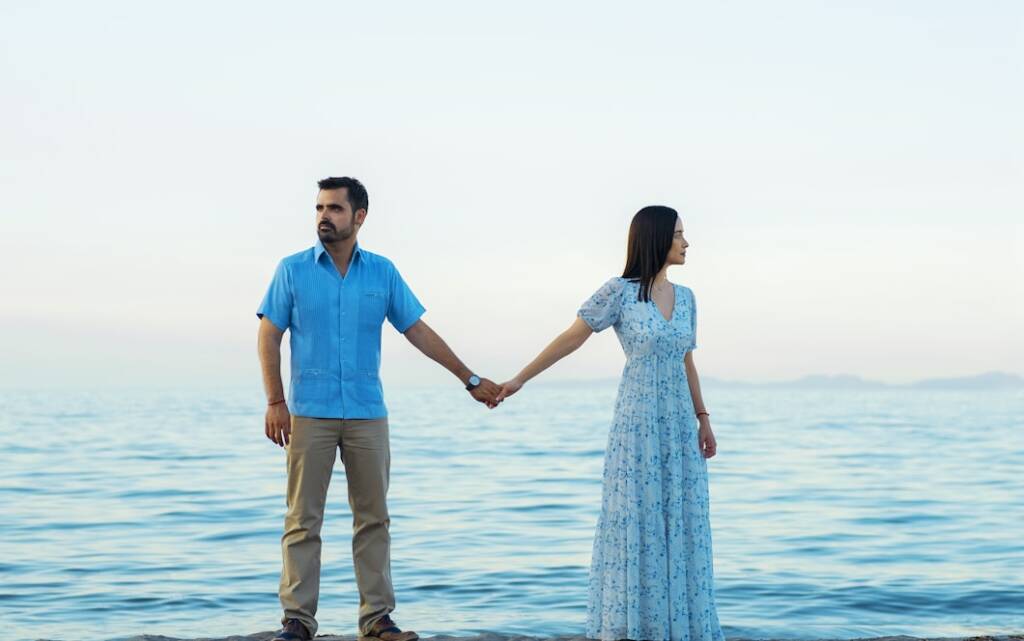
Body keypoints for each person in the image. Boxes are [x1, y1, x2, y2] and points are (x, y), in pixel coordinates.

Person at [256, 176, 502, 641]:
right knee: (302, 520)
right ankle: (297, 621)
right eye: (319, 208)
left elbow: (418, 331)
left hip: (368, 413)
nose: (324, 217)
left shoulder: (382, 273)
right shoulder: (292, 270)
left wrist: (469, 378)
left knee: (373, 518)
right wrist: (275, 401)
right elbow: (269, 333)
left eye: (334, 208)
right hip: (310, 412)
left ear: (359, 216)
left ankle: (376, 620)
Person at [495, 206, 725, 641]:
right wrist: (519, 378)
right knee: (637, 518)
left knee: (680, 518)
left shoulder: (689, 298)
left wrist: (703, 418)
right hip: (636, 426)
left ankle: (680, 626)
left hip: (678, 427)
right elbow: (571, 338)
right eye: (679, 234)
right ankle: (635, 627)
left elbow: (687, 361)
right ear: (657, 238)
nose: (686, 242)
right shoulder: (619, 293)